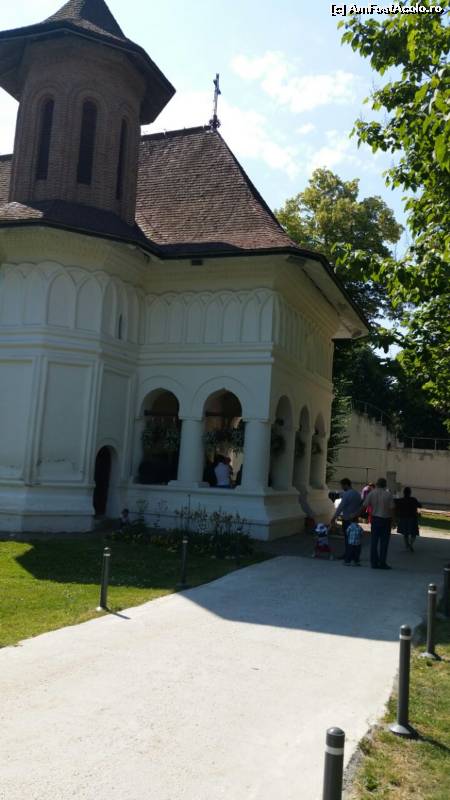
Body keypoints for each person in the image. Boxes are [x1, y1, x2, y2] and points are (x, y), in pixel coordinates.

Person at [362, 478, 395, 570]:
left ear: (377, 484)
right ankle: (382, 562)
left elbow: (364, 505)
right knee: (384, 542)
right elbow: (392, 509)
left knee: (374, 541)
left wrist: (357, 514)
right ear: (385, 485)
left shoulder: (371, 493)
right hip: (386, 520)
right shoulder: (388, 494)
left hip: (375, 519)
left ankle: (374, 562)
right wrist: (393, 521)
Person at [330, 478, 362, 558]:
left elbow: (340, 507)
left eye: (342, 485)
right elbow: (360, 506)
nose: (342, 487)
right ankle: (354, 555)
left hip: (347, 518)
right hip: (355, 518)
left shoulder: (347, 494)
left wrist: (334, 517)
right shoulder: (357, 494)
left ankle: (347, 554)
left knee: (347, 538)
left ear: (346, 485)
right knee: (355, 538)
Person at [395, 487, 422, 552]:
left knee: (405, 533)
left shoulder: (400, 500)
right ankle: (411, 544)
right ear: (410, 493)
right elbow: (420, 506)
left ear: (403, 493)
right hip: (412, 518)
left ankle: (407, 544)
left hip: (403, 518)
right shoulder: (413, 500)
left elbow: (395, 505)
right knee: (414, 533)